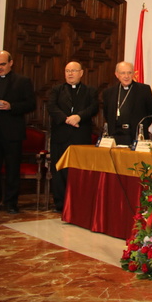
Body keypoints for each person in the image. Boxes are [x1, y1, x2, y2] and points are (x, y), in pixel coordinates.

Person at [47, 61, 98, 212]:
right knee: (59, 170)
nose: (70, 74)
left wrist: (79, 117)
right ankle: (60, 203)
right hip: (60, 136)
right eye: (67, 70)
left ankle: (77, 202)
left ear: (81, 73)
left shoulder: (90, 91)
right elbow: (51, 107)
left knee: (78, 171)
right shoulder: (56, 90)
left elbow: (93, 107)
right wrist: (67, 119)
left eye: (74, 70)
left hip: (80, 137)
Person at [0, 51, 35, 214]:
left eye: (2, 64)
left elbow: (31, 104)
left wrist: (11, 106)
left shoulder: (22, 81)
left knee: (12, 169)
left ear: (11, 63)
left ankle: (11, 203)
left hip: (12, 133)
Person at [102, 61, 152, 145]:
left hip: (136, 135)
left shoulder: (144, 90)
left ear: (133, 73)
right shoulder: (109, 92)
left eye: (129, 73)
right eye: (123, 73)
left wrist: (140, 128)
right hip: (115, 135)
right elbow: (106, 113)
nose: (126, 76)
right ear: (117, 74)